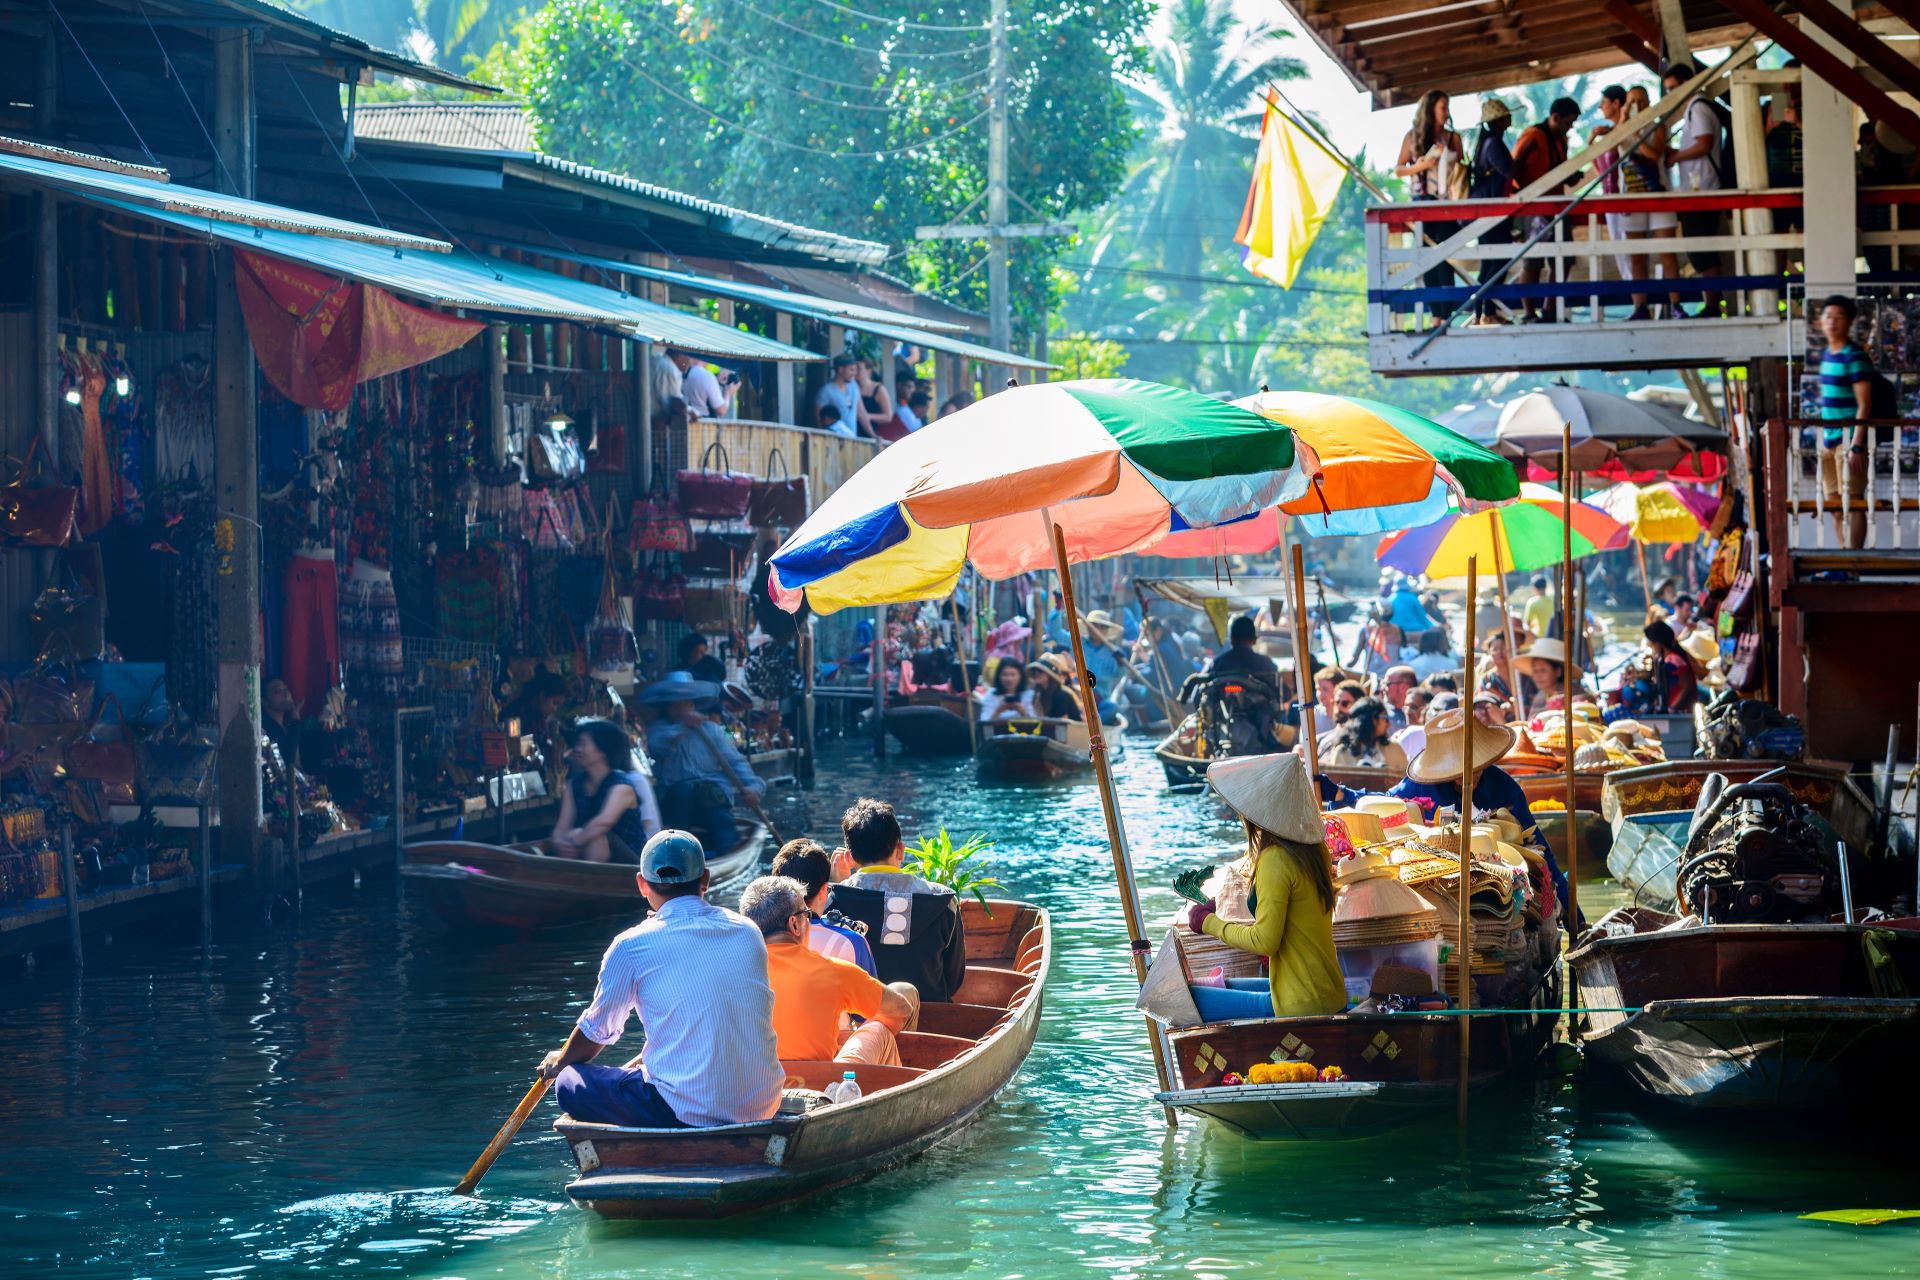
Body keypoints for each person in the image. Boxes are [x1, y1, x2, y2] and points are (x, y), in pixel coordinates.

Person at [539, 830, 783, 1129]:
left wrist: (561, 1061)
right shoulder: (747, 931)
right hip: (762, 1104)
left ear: (642, 884)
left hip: (685, 1112)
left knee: (568, 1082)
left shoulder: (630, 945)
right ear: (704, 879)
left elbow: (598, 1030)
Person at [1183, 754, 1346, 1018]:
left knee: (1187, 997)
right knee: (1222, 986)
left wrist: (1208, 923)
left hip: (1299, 1004)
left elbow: (1265, 941)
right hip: (1328, 992)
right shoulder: (1316, 850)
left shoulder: (1275, 859)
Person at [739, 876, 919, 1066]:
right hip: (821, 1087)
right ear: (794, 924)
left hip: (753, 1086)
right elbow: (901, 1010)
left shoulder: (730, 973)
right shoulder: (833, 971)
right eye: (808, 915)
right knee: (881, 1030)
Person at [827, 799, 968, 1003]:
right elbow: (954, 978)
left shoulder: (834, 901)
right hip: (932, 1016)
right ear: (901, 850)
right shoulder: (942, 900)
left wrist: (840, 886)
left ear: (849, 858)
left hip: (864, 1023)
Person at [641, 671, 766, 849]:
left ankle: (728, 849)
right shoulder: (658, 731)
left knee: (719, 814)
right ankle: (677, 852)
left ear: (693, 704)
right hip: (676, 803)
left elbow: (735, 762)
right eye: (676, 704)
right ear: (667, 707)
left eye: (686, 703)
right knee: (684, 791)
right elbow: (658, 746)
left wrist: (754, 787)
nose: (682, 709)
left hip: (711, 800)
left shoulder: (712, 730)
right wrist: (683, 726)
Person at [1394, 89, 1465, 326]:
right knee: (1427, 258)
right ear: (1431, 109)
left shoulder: (1452, 138)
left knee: (1445, 255)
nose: (1446, 113)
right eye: (1443, 107)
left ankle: (1446, 314)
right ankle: (1436, 315)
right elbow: (1399, 168)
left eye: (1447, 108)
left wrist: (1449, 157)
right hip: (1421, 203)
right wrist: (1422, 165)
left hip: (1446, 203)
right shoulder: (1411, 137)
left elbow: (1461, 170)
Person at [1662, 63, 1726, 318]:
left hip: (1703, 189)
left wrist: (1676, 156)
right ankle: (1711, 302)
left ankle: (1712, 305)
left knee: (1703, 251)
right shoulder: (1695, 108)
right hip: (1699, 188)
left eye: (1674, 88)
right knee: (1701, 249)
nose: (1671, 93)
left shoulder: (1697, 108)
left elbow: (1704, 143)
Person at [550, 718, 661, 863]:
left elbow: (604, 822)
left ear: (603, 750)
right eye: (577, 744)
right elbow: (561, 827)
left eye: (583, 744)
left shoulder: (622, 786)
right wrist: (560, 842)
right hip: (590, 850)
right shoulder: (574, 785)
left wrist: (574, 841)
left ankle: (587, 884)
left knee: (596, 838)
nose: (577, 749)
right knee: (578, 835)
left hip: (633, 862)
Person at [1510, 96, 1581, 322]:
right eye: (1567, 123)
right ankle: (1529, 312)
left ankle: (1550, 309)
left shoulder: (1561, 141)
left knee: (1564, 258)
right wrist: (1526, 197)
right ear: (1555, 117)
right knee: (1533, 261)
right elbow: (1514, 168)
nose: (1568, 128)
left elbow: (1562, 172)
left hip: (1556, 205)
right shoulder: (1533, 136)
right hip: (1534, 206)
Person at [1816, 293, 1873, 548]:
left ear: (1849, 321)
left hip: (1849, 440)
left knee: (1853, 502)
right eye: (1828, 317)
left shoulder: (1855, 356)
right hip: (1828, 442)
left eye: (1839, 317)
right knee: (1835, 506)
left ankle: (1855, 560)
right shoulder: (1827, 356)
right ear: (1821, 321)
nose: (1832, 322)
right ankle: (1843, 554)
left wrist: (1857, 445)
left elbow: (1865, 404)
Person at [770, 839, 876, 975]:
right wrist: (842, 885)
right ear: (824, 890)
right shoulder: (852, 941)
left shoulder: (760, 940)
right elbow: (872, 994)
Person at [1470, 96, 1516, 325]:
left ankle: (1483, 312)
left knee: (1490, 262)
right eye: (1506, 116)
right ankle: (1487, 310)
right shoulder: (1494, 144)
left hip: (1486, 210)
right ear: (1498, 120)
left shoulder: (1486, 143)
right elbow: (1509, 171)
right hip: (1493, 209)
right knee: (1498, 261)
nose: (1509, 118)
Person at [1320, 696, 1409, 772]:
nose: (1388, 724)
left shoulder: (1394, 748)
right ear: (1372, 720)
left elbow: (1404, 781)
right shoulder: (1343, 753)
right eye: (1385, 718)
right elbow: (1339, 786)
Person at [1201, 614, 1282, 684]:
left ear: (1231, 639)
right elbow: (1284, 693)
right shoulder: (1266, 664)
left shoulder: (1217, 664)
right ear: (1254, 640)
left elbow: (1198, 693)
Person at [1643, 620, 1700, 712]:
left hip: (1681, 710)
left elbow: (1687, 686)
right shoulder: (1663, 658)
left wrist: (1673, 707)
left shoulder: (1673, 659)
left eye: (1652, 642)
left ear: (1659, 642)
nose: (1651, 645)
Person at [671, 350, 737, 421]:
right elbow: (720, 410)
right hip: (705, 424)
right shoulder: (707, 376)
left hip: (686, 421)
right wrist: (728, 393)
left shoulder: (682, 373)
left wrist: (716, 381)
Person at [1520, 637, 1576, 715]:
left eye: (1543, 670)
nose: (1538, 676)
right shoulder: (1539, 698)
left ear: (1558, 672)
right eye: (1535, 671)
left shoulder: (1572, 693)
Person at [814, 353, 863, 438]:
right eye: (851, 370)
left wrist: (873, 435)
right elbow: (818, 419)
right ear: (840, 369)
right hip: (835, 441)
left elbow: (861, 413)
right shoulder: (826, 391)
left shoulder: (854, 386)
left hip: (854, 439)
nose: (854, 373)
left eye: (855, 370)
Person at [978, 657, 1035, 722]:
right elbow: (984, 723)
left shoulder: (1029, 695)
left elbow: (1036, 722)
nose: (1009, 679)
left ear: (1020, 676)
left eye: (1013, 675)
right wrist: (999, 710)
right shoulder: (991, 694)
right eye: (1005, 675)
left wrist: (1022, 712)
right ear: (999, 676)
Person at [1026, 655, 1082, 720]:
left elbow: (1057, 722)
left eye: (1040, 671)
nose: (1036, 673)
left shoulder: (1062, 696)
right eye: (1035, 670)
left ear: (1050, 674)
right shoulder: (1038, 694)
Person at [262, 677, 302, 766]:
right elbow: (290, 763)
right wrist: (295, 723)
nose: (286, 694)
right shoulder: (267, 730)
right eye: (277, 691)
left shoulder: (285, 726)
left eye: (286, 689)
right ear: (264, 701)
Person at [1381, 664, 1420, 732]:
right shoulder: (1379, 714)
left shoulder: (1422, 715)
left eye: (1387, 684)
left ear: (1403, 687)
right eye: (1382, 683)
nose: (1382, 688)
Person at [1522, 575, 1555, 640]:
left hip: (1540, 637)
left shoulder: (1532, 603)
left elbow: (1527, 623)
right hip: (1554, 635)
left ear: (1534, 588)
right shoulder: (1553, 598)